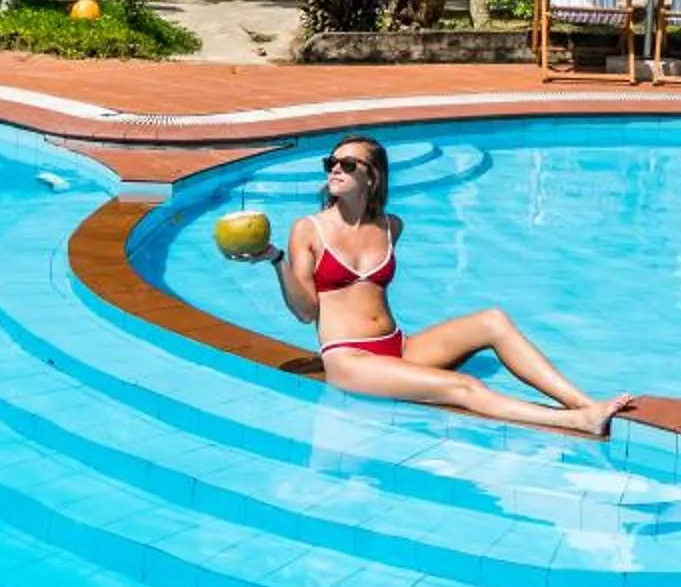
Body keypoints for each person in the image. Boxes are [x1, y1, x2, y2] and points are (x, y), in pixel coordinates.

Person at [229, 132, 634, 437]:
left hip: (399, 347)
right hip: (350, 359)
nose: (335, 169)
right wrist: (276, 260)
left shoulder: (391, 226)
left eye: (348, 164)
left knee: (493, 320)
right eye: (331, 162)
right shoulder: (309, 229)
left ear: (372, 177)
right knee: (463, 385)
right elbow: (305, 312)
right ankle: (576, 422)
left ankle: (584, 402)